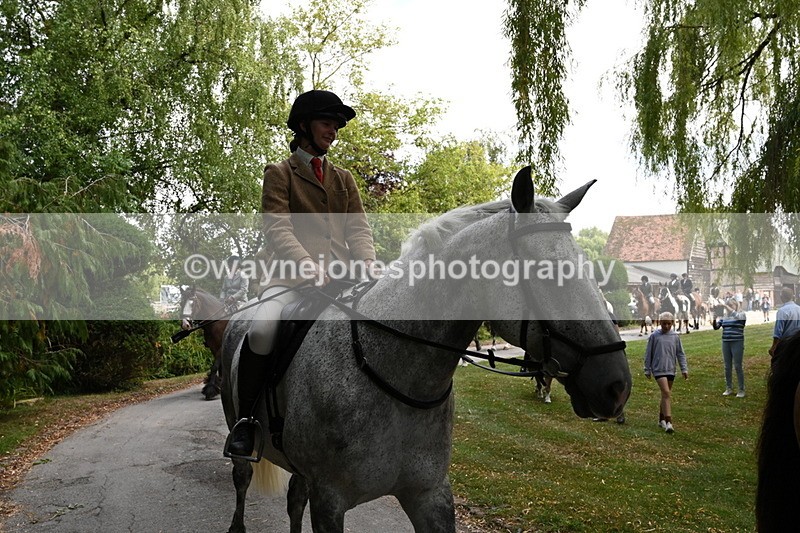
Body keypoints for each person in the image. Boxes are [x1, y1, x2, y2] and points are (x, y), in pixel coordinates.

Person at [227, 90, 378, 457]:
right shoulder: (279, 174)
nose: (334, 131)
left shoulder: (344, 180)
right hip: (288, 279)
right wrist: (306, 264)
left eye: (337, 125)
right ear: (303, 126)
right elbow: (277, 228)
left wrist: (369, 264)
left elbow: (358, 229)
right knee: (262, 330)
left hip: (342, 280)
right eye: (328, 123)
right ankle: (246, 423)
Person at [644, 311, 689, 433]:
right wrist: (647, 369)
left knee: (665, 395)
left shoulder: (675, 337)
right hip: (658, 369)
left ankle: (661, 419)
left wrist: (684, 369)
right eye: (664, 324)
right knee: (666, 392)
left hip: (670, 369)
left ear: (673, 323)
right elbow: (649, 353)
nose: (666, 326)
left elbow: (680, 353)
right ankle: (669, 422)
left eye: (669, 324)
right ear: (660, 323)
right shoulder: (654, 336)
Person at [712, 300, 746, 397]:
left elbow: (738, 318)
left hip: (737, 342)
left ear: (736, 305)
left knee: (738, 366)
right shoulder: (725, 317)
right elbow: (716, 327)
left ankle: (741, 389)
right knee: (727, 367)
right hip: (726, 342)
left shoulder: (741, 314)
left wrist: (725, 306)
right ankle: (729, 388)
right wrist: (714, 319)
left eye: (731, 305)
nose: (728, 307)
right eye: (728, 305)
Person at [768, 287, 800, 364]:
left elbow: (778, 331)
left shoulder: (782, 311)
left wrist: (774, 347)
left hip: (786, 343)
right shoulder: (799, 309)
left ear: (782, 297)